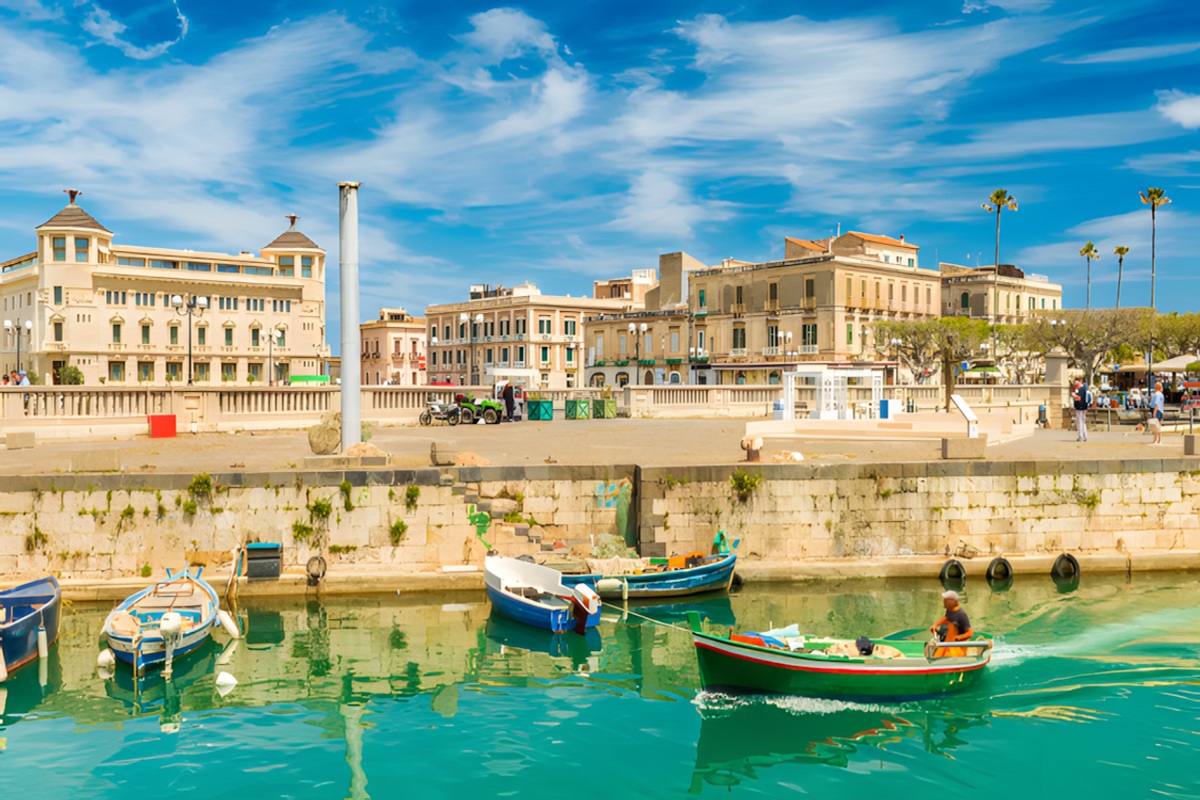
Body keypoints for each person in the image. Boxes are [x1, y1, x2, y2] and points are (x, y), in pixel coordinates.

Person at [930, 590, 973, 656]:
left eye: (946, 601)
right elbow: (946, 618)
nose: (944, 602)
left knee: (947, 656)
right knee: (936, 655)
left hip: (957, 646)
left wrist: (957, 638)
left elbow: (970, 632)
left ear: (953, 601)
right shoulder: (950, 610)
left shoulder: (961, 614)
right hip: (948, 643)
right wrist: (935, 625)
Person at [1151, 381, 1165, 445]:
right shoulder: (1161, 395)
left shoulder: (1156, 394)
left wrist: (1154, 412)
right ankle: (1158, 439)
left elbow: (1156, 404)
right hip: (1160, 410)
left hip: (1157, 410)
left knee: (1156, 426)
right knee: (1158, 425)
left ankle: (1157, 440)